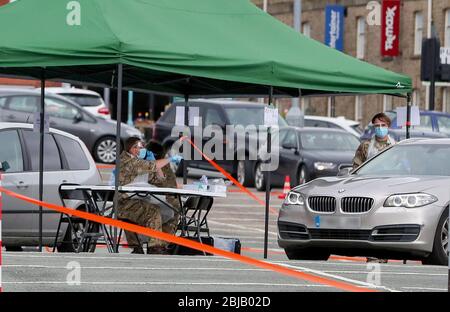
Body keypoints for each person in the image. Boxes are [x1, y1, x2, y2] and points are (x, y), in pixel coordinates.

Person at [118, 137, 182, 254]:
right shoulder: (127, 161)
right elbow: (150, 166)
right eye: (135, 147)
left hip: (138, 201)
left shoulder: (141, 161)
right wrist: (169, 159)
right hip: (125, 205)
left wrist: (156, 167)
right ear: (129, 149)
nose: (139, 150)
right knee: (153, 211)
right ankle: (154, 246)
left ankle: (160, 243)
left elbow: (160, 180)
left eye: (140, 147)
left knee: (170, 211)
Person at [353, 113, 395, 264]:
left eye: (383, 125)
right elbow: (356, 168)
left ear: (388, 127)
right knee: (370, 223)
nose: (380, 128)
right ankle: (371, 253)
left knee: (386, 223)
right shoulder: (365, 146)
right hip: (368, 190)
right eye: (377, 126)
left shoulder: (395, 147)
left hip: (389, 190)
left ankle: (384, 253)